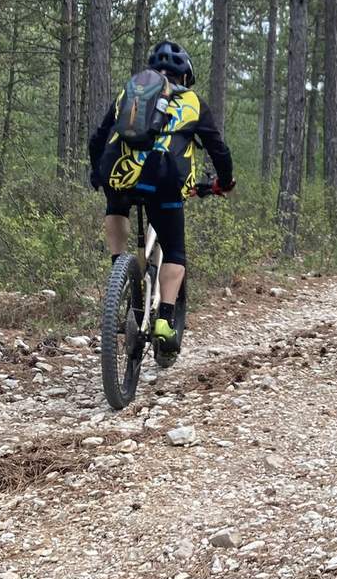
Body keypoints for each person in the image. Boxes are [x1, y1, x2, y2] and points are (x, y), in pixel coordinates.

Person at [88, 40, 234, 354]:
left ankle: (119, 269)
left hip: (120, 175)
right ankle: (165, 320)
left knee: (116, 204)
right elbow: (218, 149)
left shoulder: (130, 94)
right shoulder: (193, 101)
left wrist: (96, 172)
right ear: (185, 75)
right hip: (165, 182)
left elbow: (98, 137)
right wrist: (224, 182)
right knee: (175, 252)